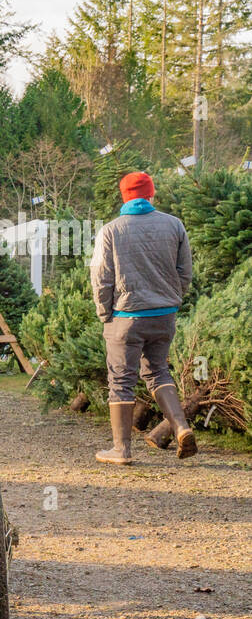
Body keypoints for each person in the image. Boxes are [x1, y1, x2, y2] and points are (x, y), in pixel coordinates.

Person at [90, 171, 196, 465]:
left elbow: (101, 278)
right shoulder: (174, 225)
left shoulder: (111, 230)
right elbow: (185, 271)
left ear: (125, 198)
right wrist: (172, 298)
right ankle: (181, 427)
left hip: (126, 316)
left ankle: (121, 450)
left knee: (122, 380)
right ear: (152, 194)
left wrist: (105, 314)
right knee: (159, 371)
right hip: (164, 315)